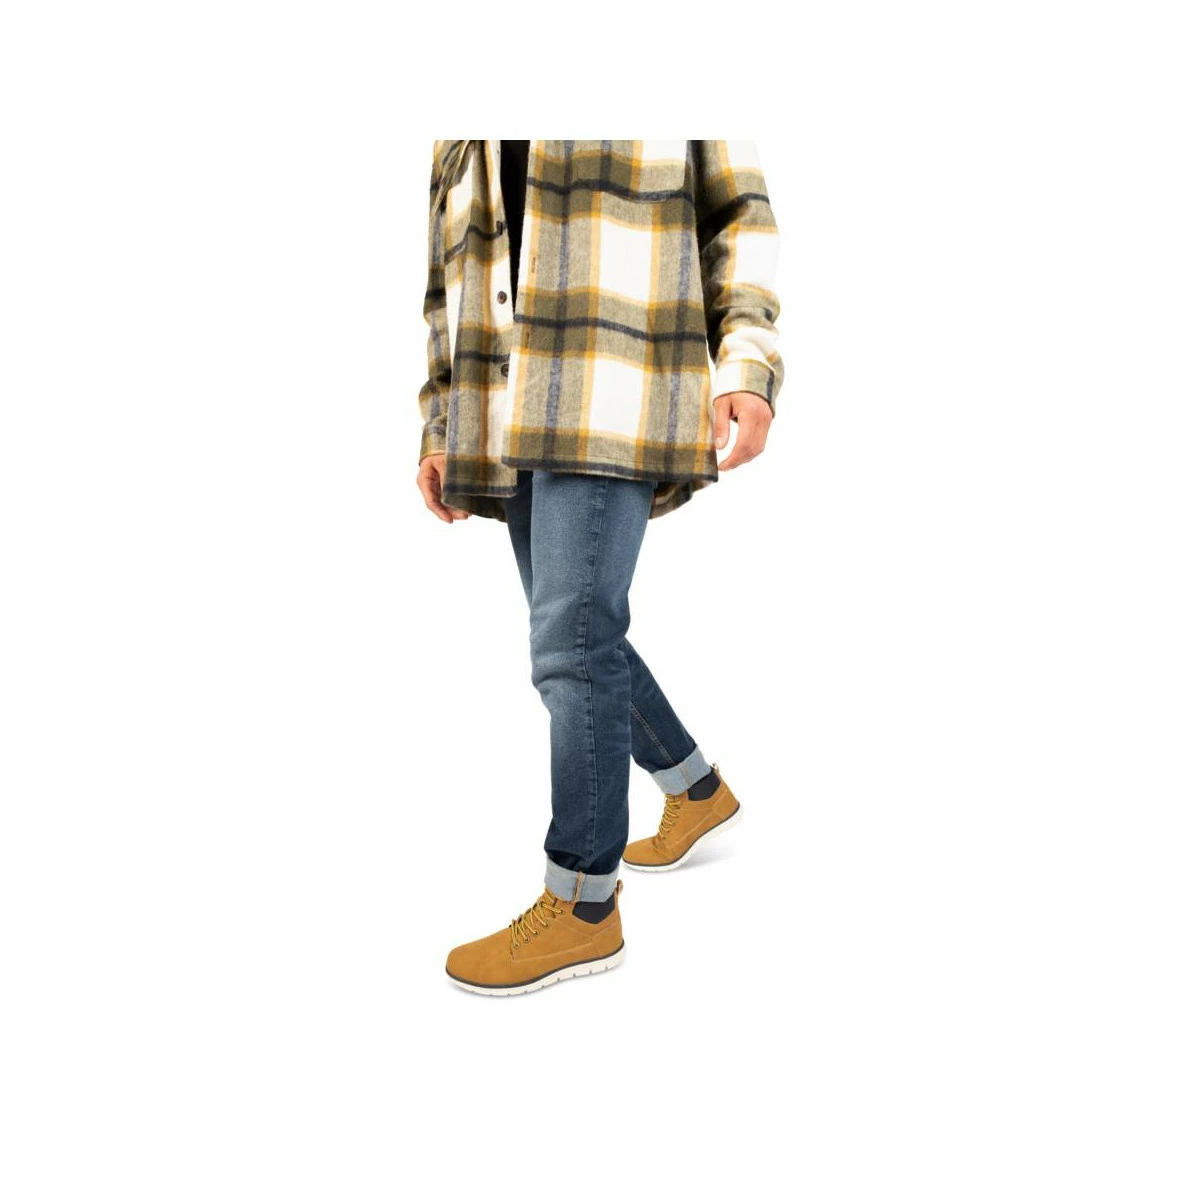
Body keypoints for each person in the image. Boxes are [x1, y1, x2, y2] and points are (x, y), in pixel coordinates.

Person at [416, 140, 784, 995]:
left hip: (616, 374)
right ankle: (694, 787)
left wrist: (747, 361)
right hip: (505, 401)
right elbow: (444, 282)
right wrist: (440, 423)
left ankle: (583, 906)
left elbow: (739, 212)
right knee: (578, 637)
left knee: (571, 645)